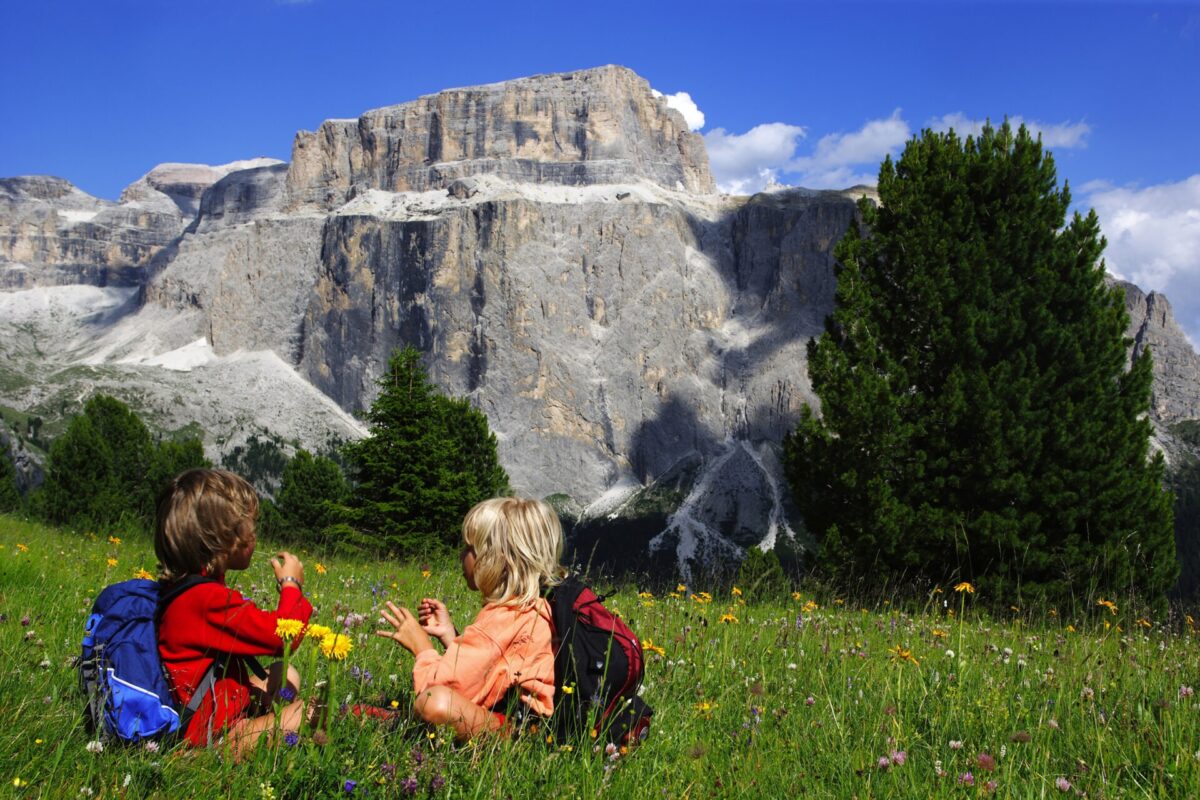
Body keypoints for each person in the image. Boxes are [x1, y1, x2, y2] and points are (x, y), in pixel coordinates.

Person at [376, 497, 567, 740]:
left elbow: (442, 688)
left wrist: (421, 647)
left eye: (469, 548)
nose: (461, 555)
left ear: (497, 559)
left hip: (514, 733)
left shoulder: (503, 618)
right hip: (535, 728)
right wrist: (451, 636)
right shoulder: (534, 608)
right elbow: (493, 671)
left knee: (434, 703)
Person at [155, 468, 315, 755]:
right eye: (250, 527)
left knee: (284, 672)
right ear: (224, 538)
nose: (255, 536)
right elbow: (282, 637)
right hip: (207, 735)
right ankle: (208, 756)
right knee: (313, 711)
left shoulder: (188, 589)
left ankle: (258, 722)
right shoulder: (206, 599)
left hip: (211, 708)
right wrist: (291, 586)